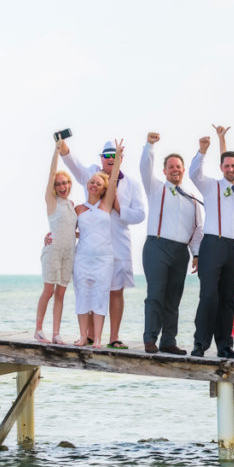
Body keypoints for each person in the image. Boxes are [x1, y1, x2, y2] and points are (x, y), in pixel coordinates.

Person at [60, 137, 146, 349]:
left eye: (114, 156)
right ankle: (89, 335)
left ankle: (113, 337)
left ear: (120, 158)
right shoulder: (91, 175)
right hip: (91, 248)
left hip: (118, 244)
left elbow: (140, 215)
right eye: (106, 155)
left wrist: (119, 208)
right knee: (89, 288)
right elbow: (72, 163)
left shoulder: (132, 183)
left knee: (116, 290)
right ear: (101, 158)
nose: (110, 159)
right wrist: (62, 147)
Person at [189, 132, 234, 359]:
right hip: (212, 244)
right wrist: (202, 150)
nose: (231, 169)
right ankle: (200, 344)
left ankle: (224, 346)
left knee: (228, 299)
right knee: (209, 296)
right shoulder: (210, 186)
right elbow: (193, 173)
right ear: (221, 167)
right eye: (227, 165)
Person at [139, 132, 203, 355]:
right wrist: (150, 146)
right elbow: (144, 168)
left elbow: (198, 230)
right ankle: (150, 339)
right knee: (156, 294)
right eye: (171, 167)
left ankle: (169, 340)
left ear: (184, 170)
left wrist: (196, 254)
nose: (175, 170)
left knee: (173, 298)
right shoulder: (155, 188)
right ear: (165, 170)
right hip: (157, 247)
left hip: (180, 252)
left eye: (179, 167)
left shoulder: (193, 199)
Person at [72, 140, 125, 348]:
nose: (94, 185)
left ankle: (99, 339)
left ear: (103, 189)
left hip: (103, 258)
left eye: (98, 184)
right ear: (87, 185)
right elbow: (70, 233)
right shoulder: (78, 209)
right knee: (82, 296)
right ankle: (84, 336)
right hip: (82, 258)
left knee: (101, 296)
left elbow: (112, 181)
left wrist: (117, 156)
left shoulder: (106, 204)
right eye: (92, 182)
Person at [37, 141, 76, 344]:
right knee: (49, 290)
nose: (62, 187)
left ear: (70, 184)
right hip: (52, 252)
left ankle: (56, 333)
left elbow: (72, 231)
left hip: (69, 253)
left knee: (61, 293)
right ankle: (38, 329)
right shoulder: (51, 202)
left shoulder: (72, 205)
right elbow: (52, 173)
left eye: (65, 183)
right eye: (58, 184)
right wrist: (56, 151)